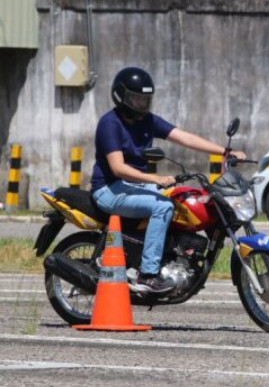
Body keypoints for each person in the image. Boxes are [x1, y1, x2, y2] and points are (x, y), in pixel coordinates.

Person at [90, 67, 245, 293]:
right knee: (162, 207)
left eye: (145, 99)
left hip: (136, 185)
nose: (142, 104)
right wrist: (156, 178)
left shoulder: (148, 120)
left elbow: (185, 138)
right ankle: (147, 274)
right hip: (109, 189)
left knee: (184, 199)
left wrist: (225, 152)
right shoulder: (110, 124)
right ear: (121, 96)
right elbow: (118, 168)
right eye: (136, 98)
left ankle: (172, 255)